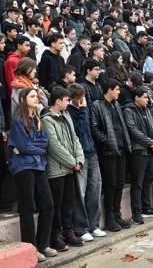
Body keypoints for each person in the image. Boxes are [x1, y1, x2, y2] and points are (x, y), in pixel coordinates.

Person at [7, 87, 56, 262]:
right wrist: (33, 148)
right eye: (33, 96)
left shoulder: (39, 119)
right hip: (22, 167)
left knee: (48, 204)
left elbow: (44, 143)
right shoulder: (18, 120)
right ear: (23, 99)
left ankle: (43, 244)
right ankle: (31, 247)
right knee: (27, 207)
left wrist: (31, 148)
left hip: (38, 165)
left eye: (37, 96)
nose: (37, 98)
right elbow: (24, 145)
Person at [43, 86, 85, 251]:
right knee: (57, 204)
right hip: (57, 170)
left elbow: (75, 139)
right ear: (58, 101)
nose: (69, 102)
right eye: (67, 100)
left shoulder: (66, 115)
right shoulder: (47, 120)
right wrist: (72, 162)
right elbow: (54, 146)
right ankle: (56, 236)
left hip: (70, 168)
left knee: (68, 203)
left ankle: (68, 232)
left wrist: (79, 159)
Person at [91, 78, 132, 232]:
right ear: (109, 90)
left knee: (120, 183)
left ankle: (117, 214)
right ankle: (109, 218)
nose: (119, 92)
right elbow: (94, 128)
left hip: (121, 149)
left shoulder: (117, 105)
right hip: (108, 152)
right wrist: (106, 140)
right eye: (116, 89)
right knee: (110, 185)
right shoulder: (97, 105)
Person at [67, 84, 105, 241]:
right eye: (80, 96)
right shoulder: (70, 112)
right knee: (80, 193)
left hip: (91, 152)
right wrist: (82, 111)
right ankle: (80, 228)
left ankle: (93, 225)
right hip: (79, 155)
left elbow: (89, 130)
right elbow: (79, 130)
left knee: (95, 189)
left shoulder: (85, 109)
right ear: (74, 98)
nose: (83, 99)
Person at [123, 86, 153, 223]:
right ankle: (137, 213)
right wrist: (149, 142)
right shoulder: (129, 110)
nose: (147, 100)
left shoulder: (146, 110)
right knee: (137, 183)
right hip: (139, 151)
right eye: (145, 97)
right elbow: (132, 130)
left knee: (148, 179)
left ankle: (147, 208)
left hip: (151, 149)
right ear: (136, 98)